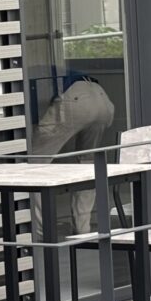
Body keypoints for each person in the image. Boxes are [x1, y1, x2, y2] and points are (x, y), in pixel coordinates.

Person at [32, 75, 115, 235]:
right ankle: (83, 229)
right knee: (87, 163)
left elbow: (35, 113)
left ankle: (41, 232)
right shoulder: (44, 72)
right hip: (101, 97)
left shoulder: (34, 77)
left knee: (33, 164)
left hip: (76, 98)